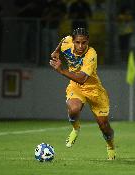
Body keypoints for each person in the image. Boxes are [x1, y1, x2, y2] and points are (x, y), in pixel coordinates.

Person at [49, 28, 116, 160]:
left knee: (104, 126)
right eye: (78, 42)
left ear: (88, 42)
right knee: (73, 109)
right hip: (76, 87)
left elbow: (82, 78)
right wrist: (56, 51)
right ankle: (76, 128)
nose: (80, 46)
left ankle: (111, 146)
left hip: (94, 90)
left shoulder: (91, 54)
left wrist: (61, 70)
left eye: (84, 43)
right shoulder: (67, 42)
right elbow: (63, 40)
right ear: (73, 41)